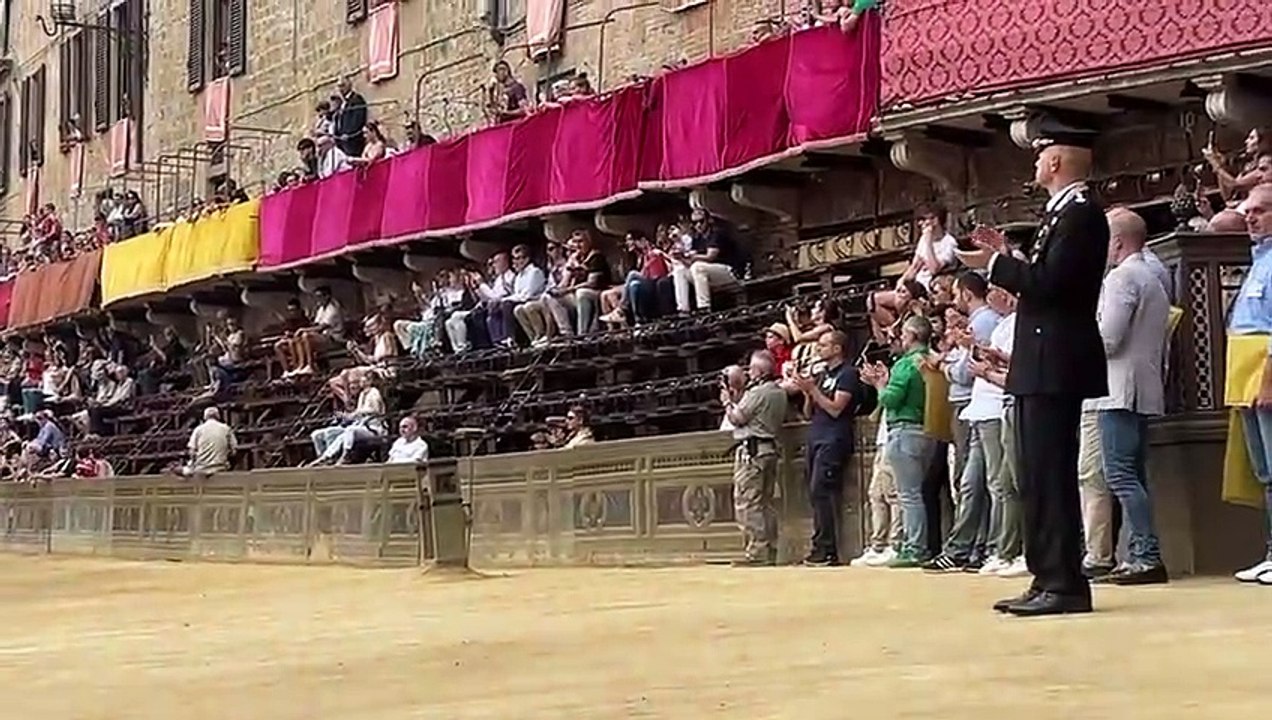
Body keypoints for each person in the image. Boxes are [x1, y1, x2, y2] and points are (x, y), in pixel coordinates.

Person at [957, 118, 1109, 617]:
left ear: (1057, 159)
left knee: (1051, 474)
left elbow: (1051, 285)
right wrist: (1005, 256)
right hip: (1043, 359)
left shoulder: (1082, 214)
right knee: (1037, 476)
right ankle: (1048, 575)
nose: (1036, 159)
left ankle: (1064, 583)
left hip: (1057, 361)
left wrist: (995, 266)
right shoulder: (1061, 213)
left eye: (1041, 152)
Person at [1082, 208, 1171, 586]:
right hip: (1141, 385)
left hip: (1118, 389)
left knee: (1120, 475)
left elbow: (1109, 338)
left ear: (1116, 242)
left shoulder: (1122, 277)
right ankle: (1139, 552)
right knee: (1133, 475)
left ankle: (1146, 555)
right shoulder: (1154, 277)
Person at [1221, 183, 1272, 585]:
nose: (1250, 217)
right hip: (1244, 373)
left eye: (1260, 210)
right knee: (1263, 473)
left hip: (1264, 373)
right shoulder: (1257, 259)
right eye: (1248, 211)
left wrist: (1268, 380)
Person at [862, 316, 935, 568]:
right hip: (925, 429)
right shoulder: (931, 358)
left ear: (913, 335)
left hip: (904, 430)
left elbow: (891, 400)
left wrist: (879, 384)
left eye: (903, 333)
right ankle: (915, 544)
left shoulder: (905, 365)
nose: (899, 338)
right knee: (915, 493)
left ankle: (914, 546)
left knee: (909, 495)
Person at [790, 330, 858, 566]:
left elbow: (836, 408)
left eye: (823, 344)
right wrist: (808, 392)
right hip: (816, 436)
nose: (818, 349)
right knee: (814, 491)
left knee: (823, 490)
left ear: (837, 348)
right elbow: (809, 412)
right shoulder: (821, 376)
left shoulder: (848, 374)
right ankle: (819, 543)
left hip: (834, 437)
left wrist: (814, 391)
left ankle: (827, 548)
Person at [721, 350, 788, 566]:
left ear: (759, 371)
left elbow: (738, 418)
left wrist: (727, 402)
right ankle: (771, 548)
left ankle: (757, 551)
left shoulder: (758, 392)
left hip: (753, 451)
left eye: (751, 368)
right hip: (769, 449)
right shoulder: (778, 391)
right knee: (765, 502)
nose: (749, 372)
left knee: (748, 502)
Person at [670, 209, 743, 313]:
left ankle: (704, 307)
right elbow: (691, 262)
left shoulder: (716, 233)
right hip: (708, 273)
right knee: (680, 270)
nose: (698, 225)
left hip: (729, 271)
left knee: (698, 267)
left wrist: (693, 256)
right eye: (695, 223)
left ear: (709, 220)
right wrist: (681, 258)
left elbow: (710, 256)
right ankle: (683, 309)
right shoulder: (698, 238)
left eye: (701, 221)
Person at [177, 406, 237, 478]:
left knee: (183, 469)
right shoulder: (226, 428)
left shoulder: (198, 429)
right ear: (218, 416)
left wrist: (192, 463)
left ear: (205, 417)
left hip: (201, 469)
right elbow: (234, 452)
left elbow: (192, 452)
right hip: (221, 467)